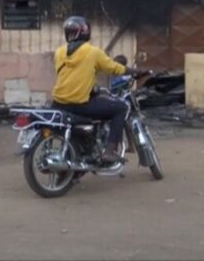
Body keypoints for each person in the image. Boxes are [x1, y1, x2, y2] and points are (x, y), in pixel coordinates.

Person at [51, 15, 147, 165]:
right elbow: (114, 68)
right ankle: (109, 151)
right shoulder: (93, 52)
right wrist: (136, 72)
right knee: (121, 108)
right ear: (86, 32)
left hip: (57, 103)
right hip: (79, 105)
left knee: (98, 102)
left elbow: (67, 75)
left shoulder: (59, 52)